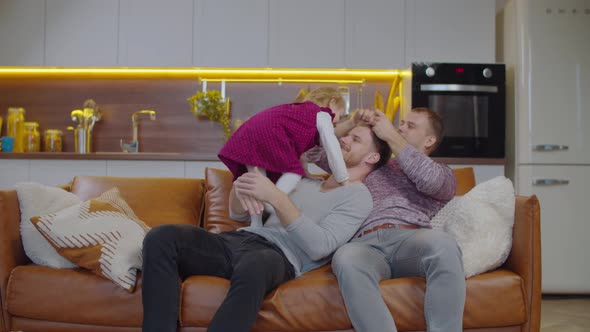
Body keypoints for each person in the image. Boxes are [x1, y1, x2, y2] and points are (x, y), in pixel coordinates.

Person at [141, 124, 392, 332]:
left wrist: (276, 197)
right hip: (239, 240)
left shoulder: (358, 196)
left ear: (372, 157)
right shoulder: (305, 181)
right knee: (162, 237)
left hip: (280, 256)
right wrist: (244, 183)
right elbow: (237, 213)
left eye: (355, 139)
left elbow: (320, 247)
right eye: (346, 135)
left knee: (256, 263)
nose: (344, 139)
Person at [308, 108, 463, 332]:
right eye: (400, 123)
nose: (400, 127)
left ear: (430, 140)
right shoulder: (373, 164)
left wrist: (391, 135)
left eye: (411, 126)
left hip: (410, 240)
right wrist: (352, 124)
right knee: (345, 257)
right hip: (365, 244)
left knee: (444, 245)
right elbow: (313, 151)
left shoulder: (441, 172)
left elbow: (431, 181)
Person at [218, 87, 350, 227]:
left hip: (250, 132)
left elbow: (298, 151)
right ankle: (272, 202)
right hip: (269, 134)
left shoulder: (298, 112)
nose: (335, 124)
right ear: (332, 102)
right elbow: (332, 146)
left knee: (257, 181)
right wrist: (343, 178)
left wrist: (307, 173)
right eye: (339, 117)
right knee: (292, 173)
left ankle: (256, 225)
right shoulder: (323, 115)